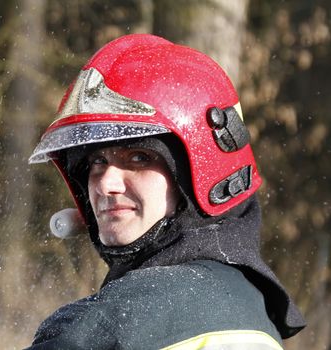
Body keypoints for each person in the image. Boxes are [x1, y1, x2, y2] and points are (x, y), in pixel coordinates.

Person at [26, 34, 306, 349]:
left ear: (199, 171)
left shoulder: (104, 328)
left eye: (139, 158)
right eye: (97, 161)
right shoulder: (254, 314)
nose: (105, 183)